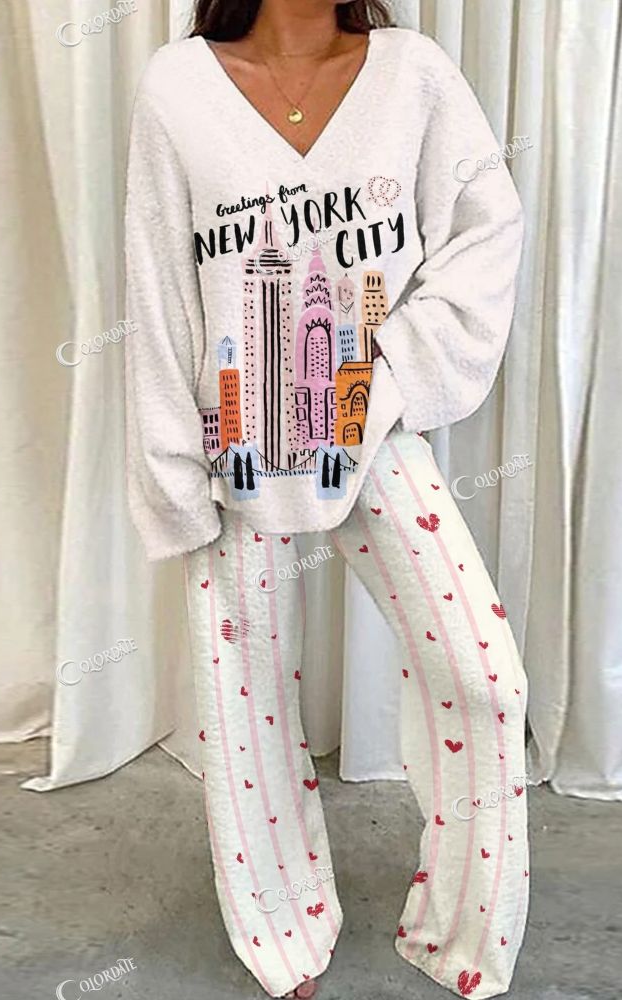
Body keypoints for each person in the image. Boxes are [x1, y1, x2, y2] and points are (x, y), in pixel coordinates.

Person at [122, 1, 528, 997]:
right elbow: (158, 289)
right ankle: (283, 928)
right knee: (244, 696)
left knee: (483, 677)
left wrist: (390, 379)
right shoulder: (178, 86)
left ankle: (461, 930)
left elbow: (486, 232)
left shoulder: (412, 73)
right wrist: (173, 471)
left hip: (367, 425)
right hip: (236, 442)